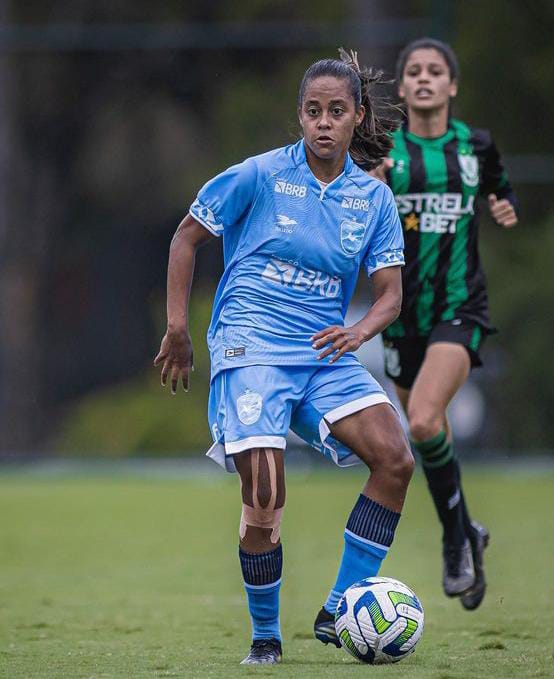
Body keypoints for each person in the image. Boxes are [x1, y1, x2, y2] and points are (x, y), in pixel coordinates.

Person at [154, 50, 414, 665]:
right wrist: (178, 329)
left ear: (355, 118)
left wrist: (359, 331)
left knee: (396, 459)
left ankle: (341, 606)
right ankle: (266, 639)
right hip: (251, 346)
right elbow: (187, 236)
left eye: (337, 111)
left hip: (324, 351)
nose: (324, 122)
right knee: (266, 494)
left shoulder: (372, 200)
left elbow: (391, 296)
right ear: (299, 117)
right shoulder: (261, 175)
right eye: (312, 110)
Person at [373, 38, 519, 611]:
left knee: (426, 421)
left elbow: (500, 189)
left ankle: (455, 541)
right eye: (415, 72)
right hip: (401, 314)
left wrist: (504, 205)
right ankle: (465, 531)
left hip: (461, 308)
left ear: (452, 86)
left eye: (436, 71)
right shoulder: (386, 151)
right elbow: (359, 221)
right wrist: (377, 188)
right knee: (424, 432)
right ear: (404, 88)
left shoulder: (476, 146)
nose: (426, 79)